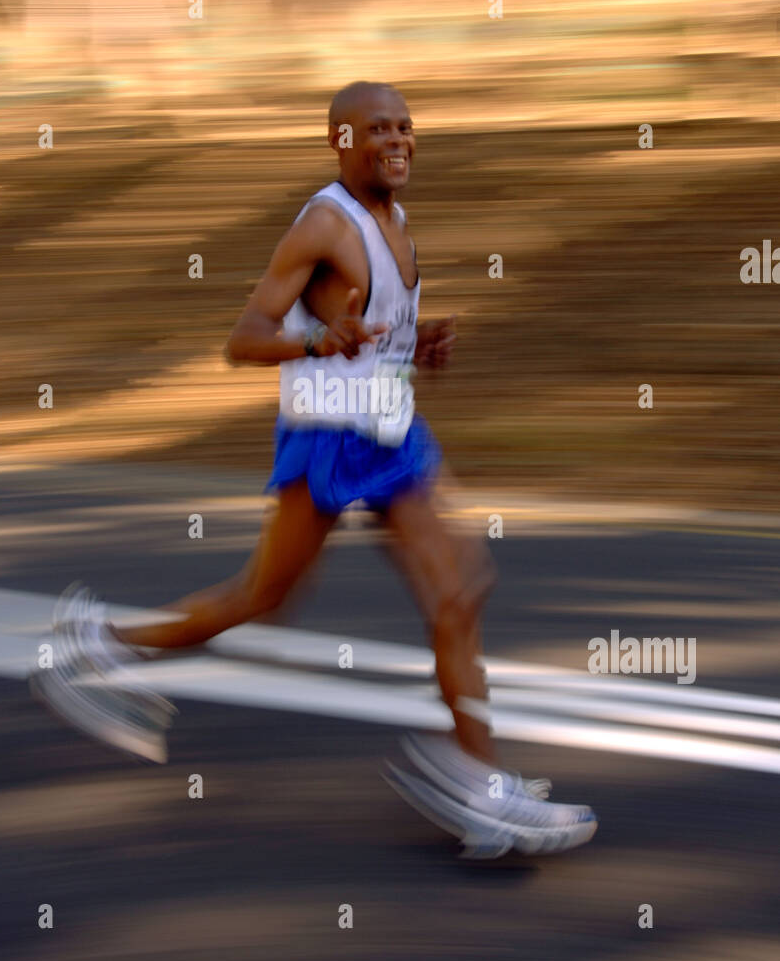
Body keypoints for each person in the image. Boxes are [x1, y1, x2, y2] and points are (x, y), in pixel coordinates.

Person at [30, 81, 597, 858]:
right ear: (339, 141)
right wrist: (314, 345)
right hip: (329, 439)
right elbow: (244, 338)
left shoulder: (393, 219)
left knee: (462, 589)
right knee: (263, 598)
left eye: (404, 127)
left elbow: (370, 330)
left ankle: (476, 782)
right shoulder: (325, 223)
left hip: (391, 434)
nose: (396, 140)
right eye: (375, 130)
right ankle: (97, 641)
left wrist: (412, 343)